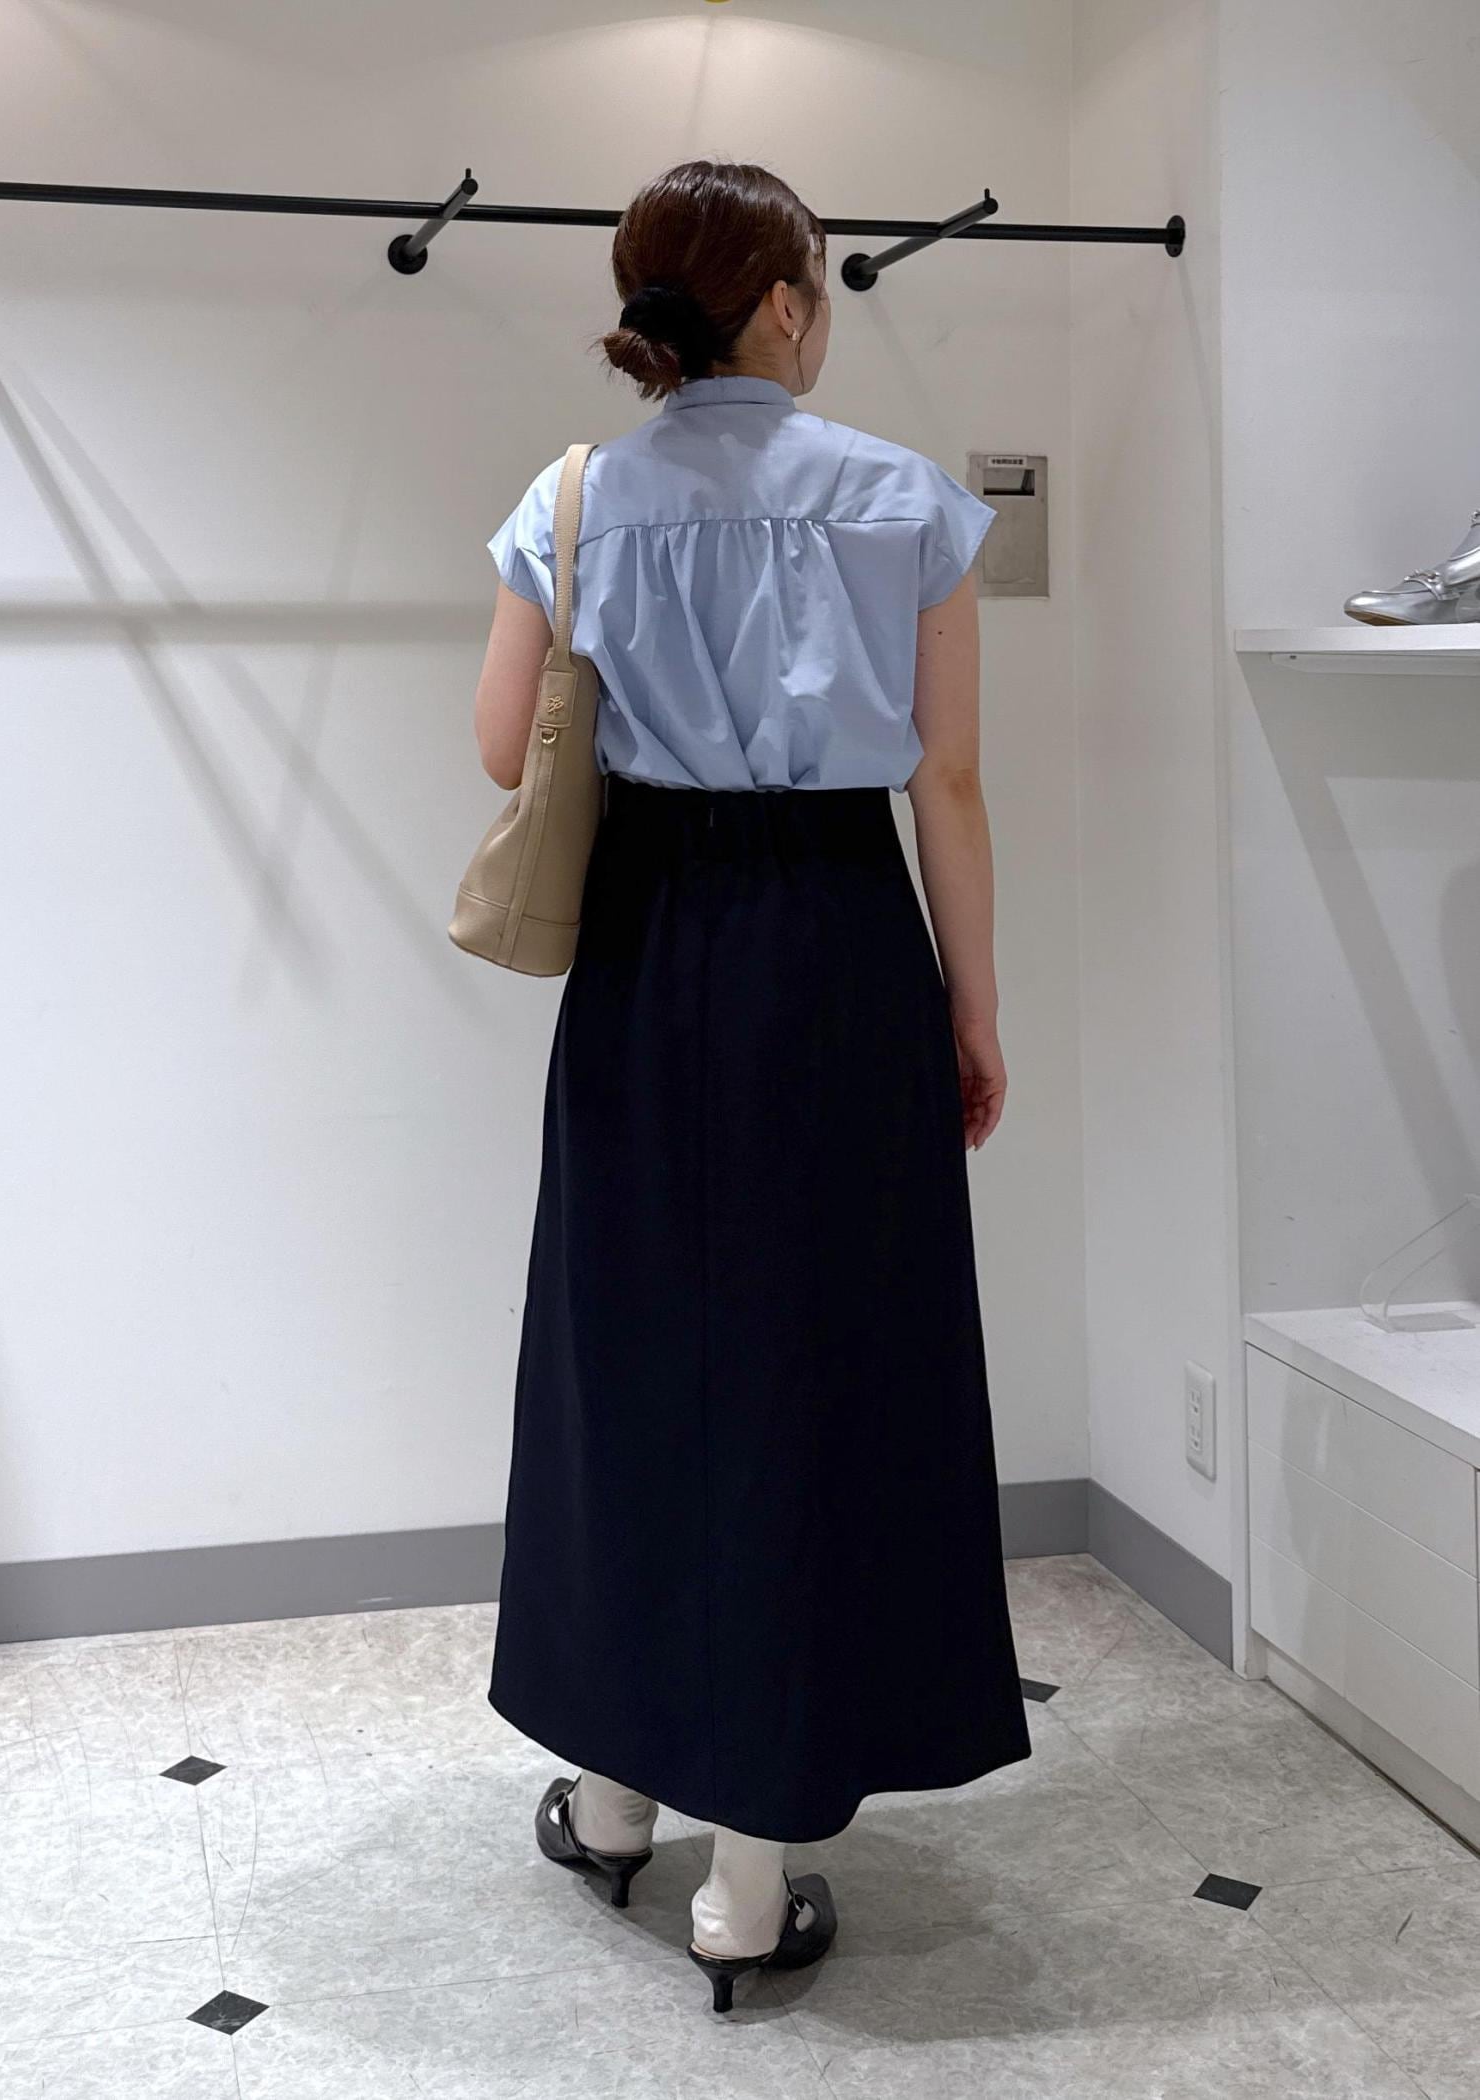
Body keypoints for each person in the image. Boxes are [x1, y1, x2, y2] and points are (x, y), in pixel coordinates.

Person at [472, 158, 1032, 2016]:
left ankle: (615, 1798)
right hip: (839, 950)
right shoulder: (904, 498)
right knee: (819, 1366)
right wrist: (971, 1009)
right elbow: (948, 786)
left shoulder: (574, 498)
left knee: (632, 1359)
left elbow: (504, 744)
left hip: (648, 952)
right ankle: (753, 1873)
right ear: (787, 302)